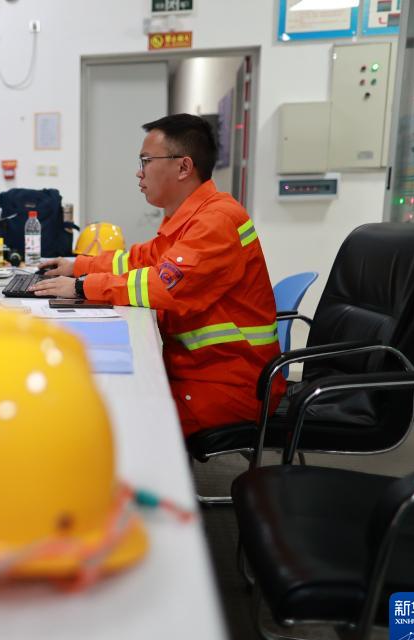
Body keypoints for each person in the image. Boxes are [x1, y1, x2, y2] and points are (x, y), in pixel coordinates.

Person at [29, 114, 284, 437]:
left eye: (146, 161)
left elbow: (163, 285)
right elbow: (140, 260)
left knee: (108, 419)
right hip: (199, 370)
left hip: (229, 385)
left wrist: (81, 287)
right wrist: (77, 266)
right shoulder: (192, 218)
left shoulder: (216, 221)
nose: (139, 172)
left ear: (183, 167)